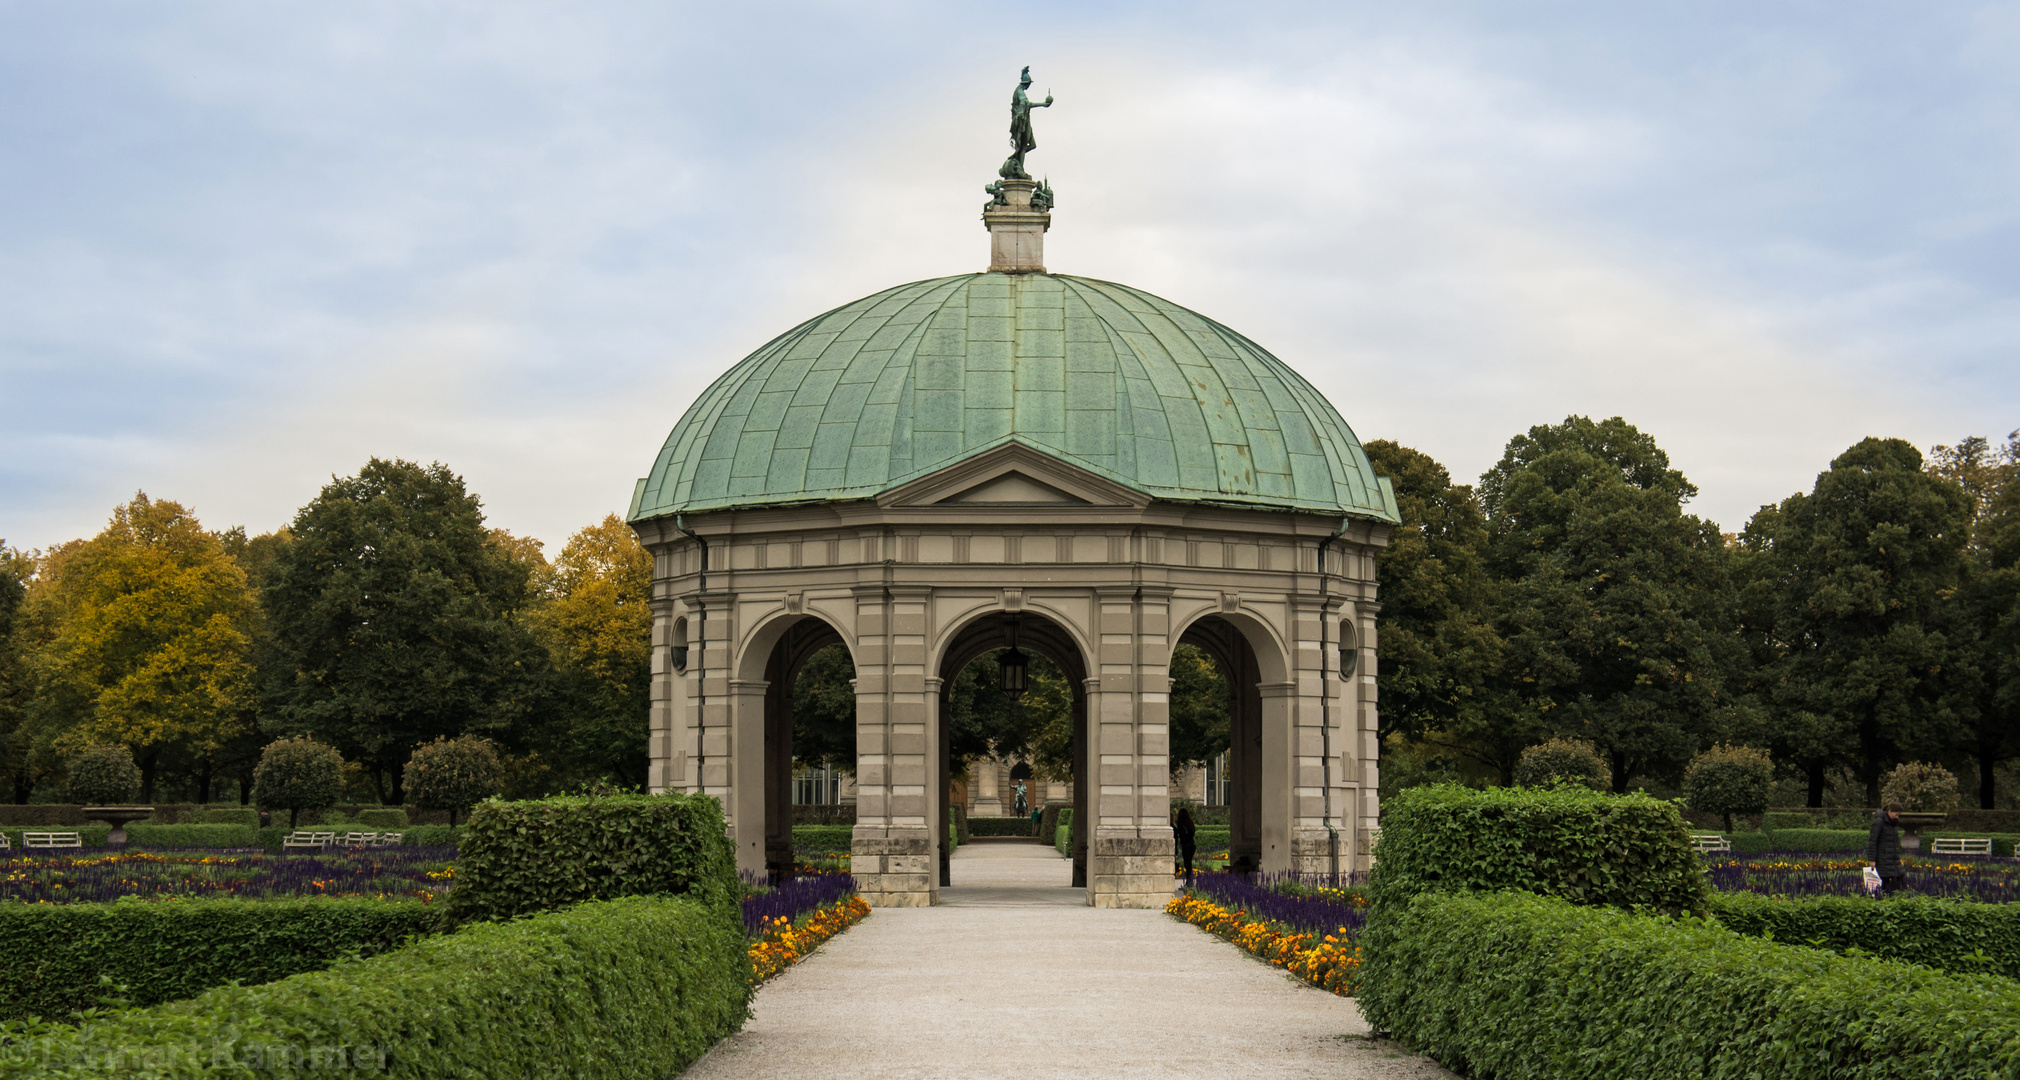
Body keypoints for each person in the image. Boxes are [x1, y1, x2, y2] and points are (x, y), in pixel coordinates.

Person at [1868, 802, 1905, 896]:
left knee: (1900, 877)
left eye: (1898, 815)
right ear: (1889, 811)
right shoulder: (1879, 822)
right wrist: (1872, 859)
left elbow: (1894, 842)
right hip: (1882, 858)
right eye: (1896, 814)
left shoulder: (1893, 824)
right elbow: (1873, 841)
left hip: (1893, 858)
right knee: (1884, 881)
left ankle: (1894, 899)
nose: (1897, 817)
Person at [1174, 806, 1197, 886]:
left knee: (1187, 863)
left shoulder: (1181, 825)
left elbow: (1182, 835)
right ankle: (1189, 880)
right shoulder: (1189, 824)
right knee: (1188, 863)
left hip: (1186, 846)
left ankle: (1189, 881)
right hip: (1191, 845)